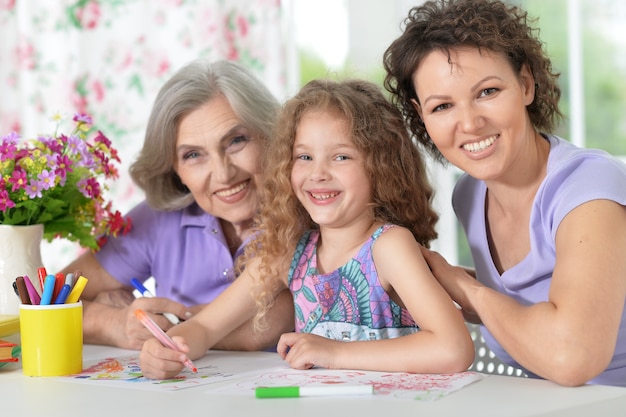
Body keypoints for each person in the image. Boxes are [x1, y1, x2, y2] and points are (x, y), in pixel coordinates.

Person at [138, 78, 475, 380]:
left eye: (341, 157)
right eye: (304, 157)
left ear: (380, 167)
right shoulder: (290, 253)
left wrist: (334, 352)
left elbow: (453, 349)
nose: (318, 174)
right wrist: (170, 347)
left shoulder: (389, 247)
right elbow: (207, 327)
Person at [382, 0, 626, 387]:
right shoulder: (470, 195)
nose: (470, 123)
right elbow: (525, 306)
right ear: (421, 116)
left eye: (487, 91)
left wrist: (464, 287)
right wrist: (430, 280)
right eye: (442, 105)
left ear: (526, 84)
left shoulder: (588, 189)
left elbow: (572, 357)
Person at [61, 59, 294, 350]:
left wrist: (166, 326)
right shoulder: (157, 220)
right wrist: (116, 323)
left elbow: (268, 326)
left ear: (271, 135)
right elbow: (52, 298)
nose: (223, 174)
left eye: (236, 140)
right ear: (174, 169)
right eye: (193, 155)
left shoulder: (309, 212)